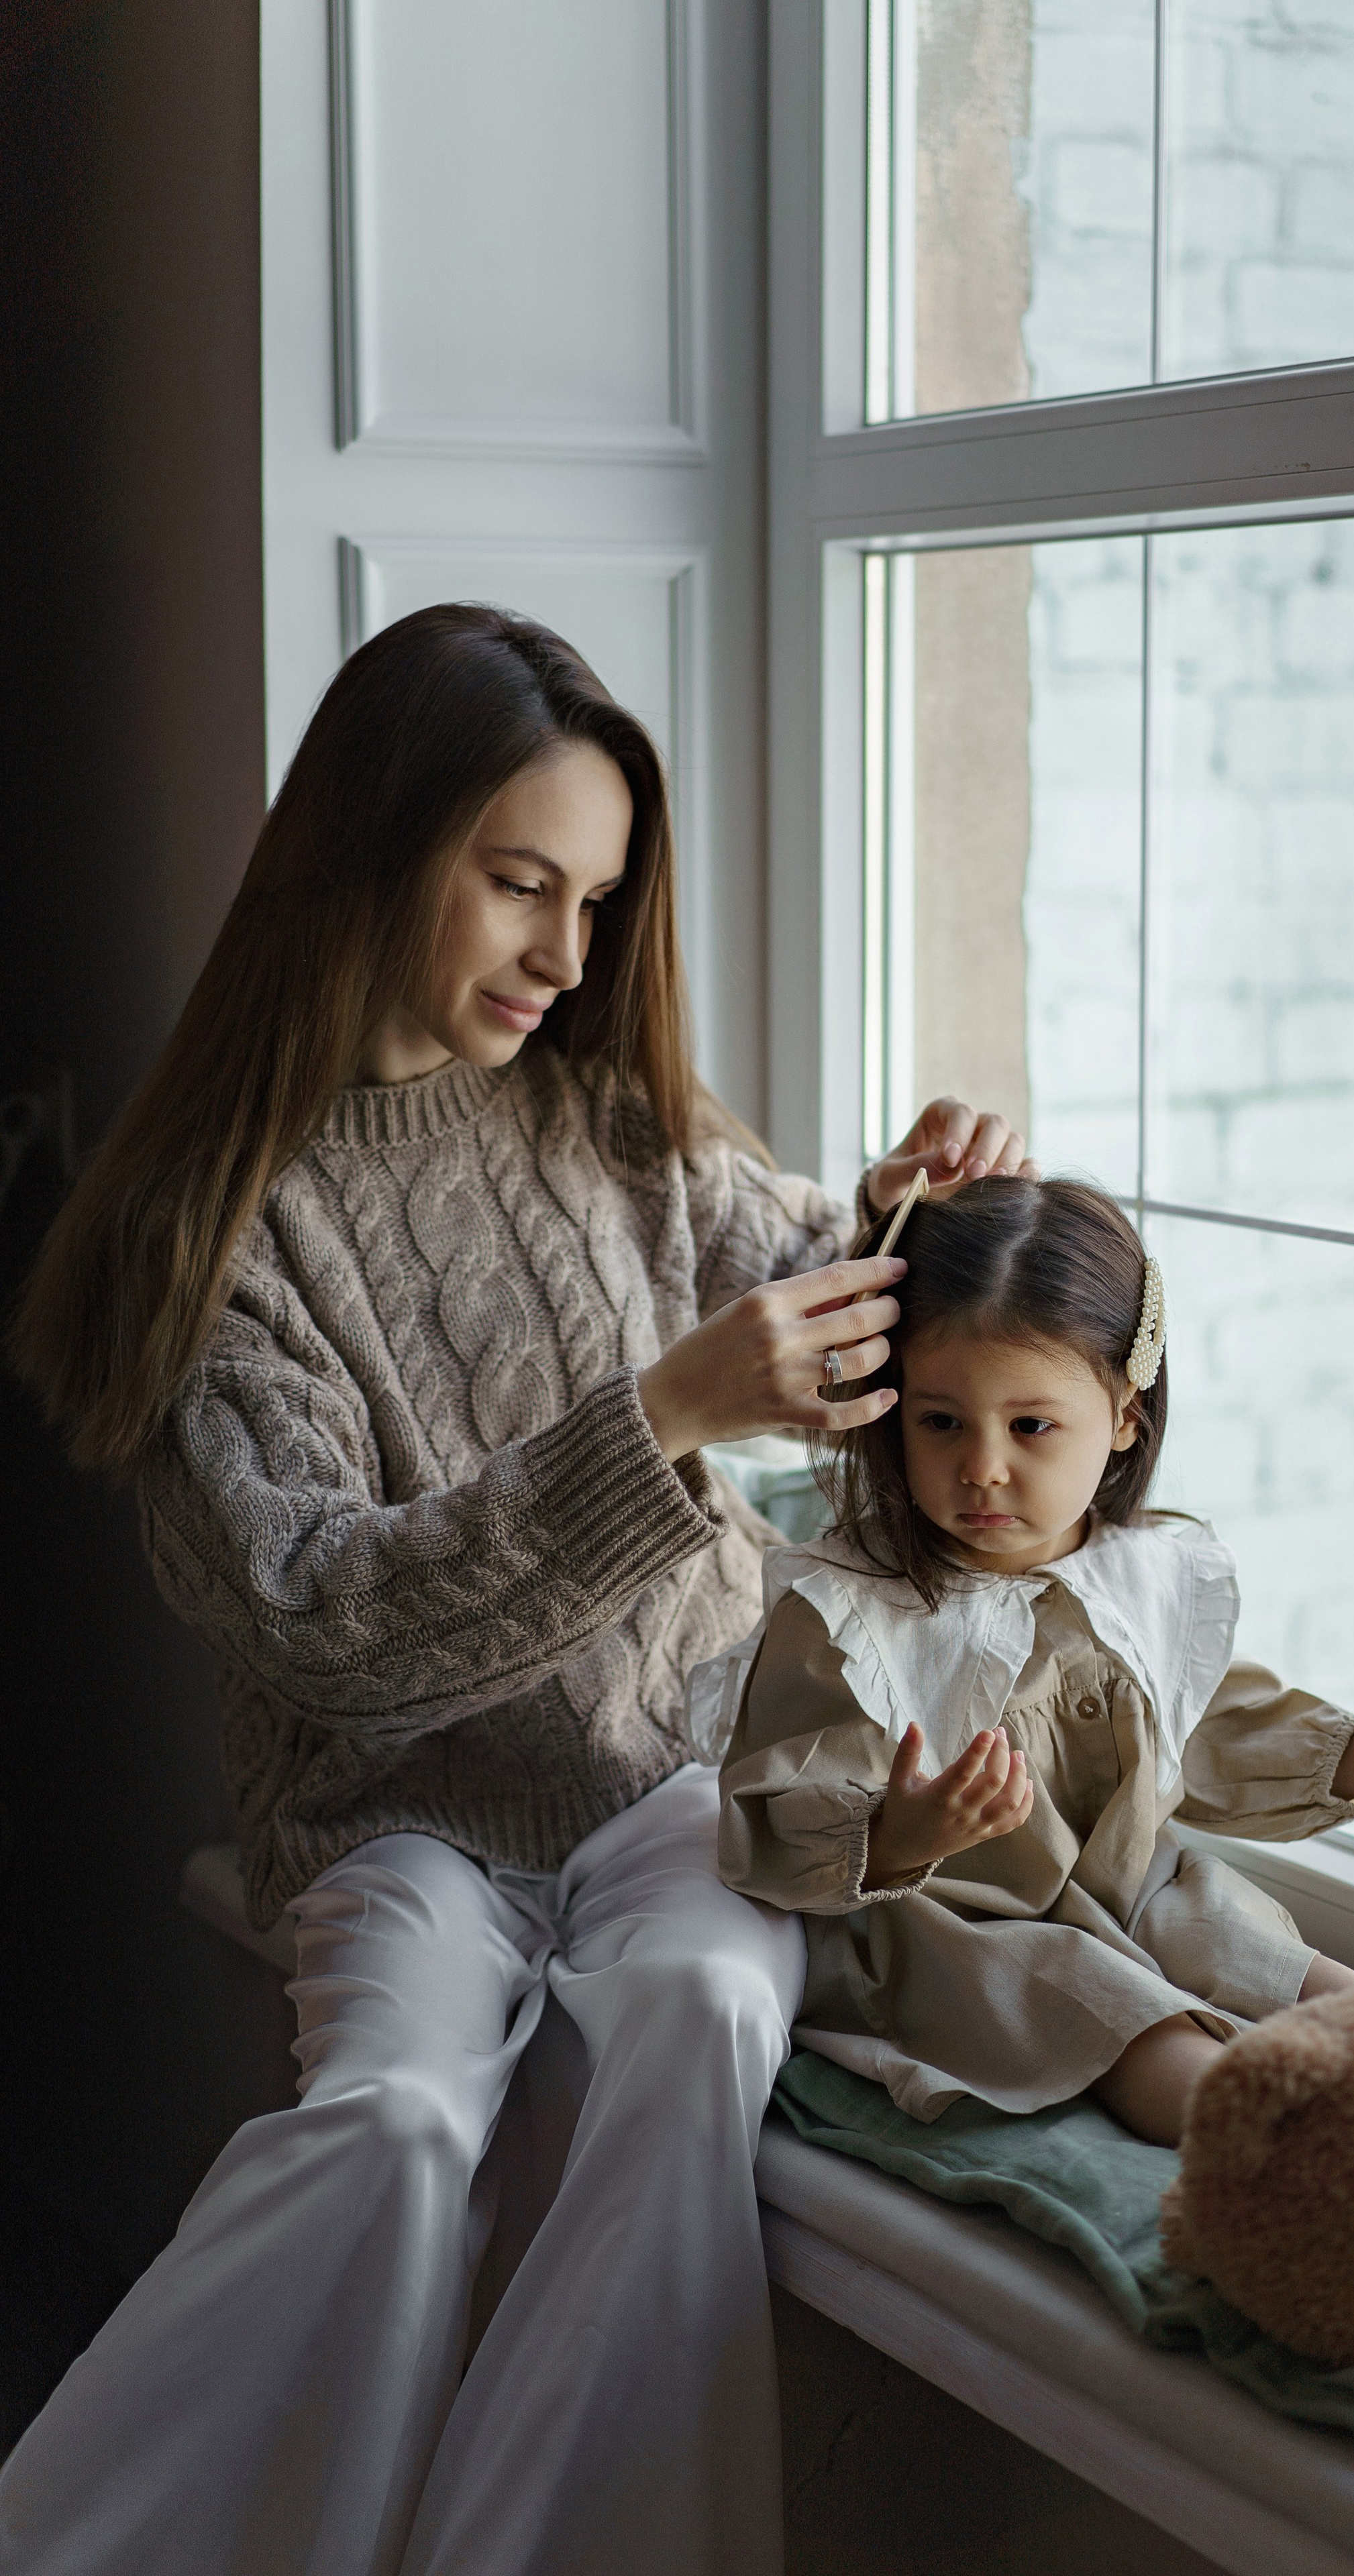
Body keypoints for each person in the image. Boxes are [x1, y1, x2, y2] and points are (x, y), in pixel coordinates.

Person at [0, 603, 1030, 2576]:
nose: (566, 956)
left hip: (673, 1780)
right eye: (519, 884)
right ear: (374, 848)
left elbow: (824, 1306)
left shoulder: (613, 1124)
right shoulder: (210, 1235)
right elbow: (325, 1625)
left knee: (702, 2015)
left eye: (600, 900)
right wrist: (663, 1419)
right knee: (391, 2129)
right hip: (396, 1824)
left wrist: (912, 1211)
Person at [710, 1177, 1354, 2146]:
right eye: (941, 1422)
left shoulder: (1141, 1576)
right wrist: (898, 1831)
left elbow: (1205, 1724)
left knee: (1245, 1938)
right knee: (1108, 2005)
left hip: (1120, 1885)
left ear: (1126, 1417)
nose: (982, 1467)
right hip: (951, 1928)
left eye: (1030, 1427)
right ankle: (1288, 2157)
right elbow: (769, 1811)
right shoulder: (851, 1614)